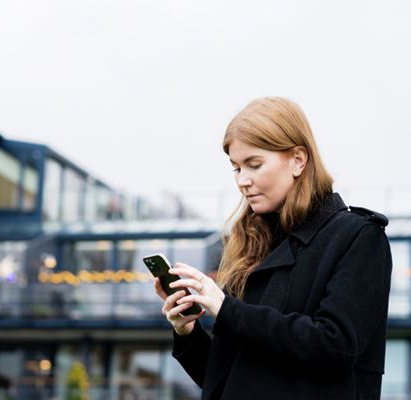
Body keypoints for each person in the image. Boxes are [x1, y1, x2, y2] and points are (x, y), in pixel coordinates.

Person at [153, 97, 393, 399]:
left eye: (254, 165)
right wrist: (186, 331)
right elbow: (225, 380)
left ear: (298, 160)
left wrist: (227, 309)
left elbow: (335, 346)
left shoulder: (358, 237)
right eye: (236, 168)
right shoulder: (250, 242)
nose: (242, 180)